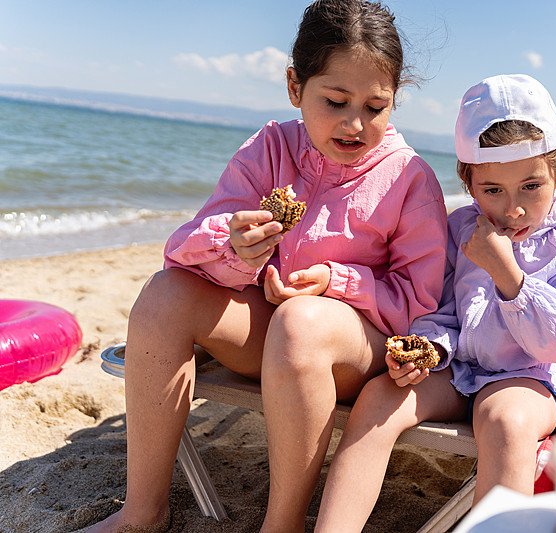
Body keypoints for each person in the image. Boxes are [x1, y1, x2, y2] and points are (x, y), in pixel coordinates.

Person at [87, 1, 447, 532]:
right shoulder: (271, 147)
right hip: (267, 338)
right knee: (165, 294)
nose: (355, 123)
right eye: (336, 101)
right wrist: (235, 248)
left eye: (376, 107)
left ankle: (282, 525)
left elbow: (420, 304)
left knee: (301, 322)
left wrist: (336, 283)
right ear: (295, 87)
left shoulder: (409, 178)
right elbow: (184, 254)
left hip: (357, 355)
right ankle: (141, 514)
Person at [314, 74, 556, 532]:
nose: (513, 209)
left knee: (505, 421)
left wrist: (508, 275)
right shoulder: (459, 229)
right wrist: (429, 349)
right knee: (379, 397)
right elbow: (441, 310)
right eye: (493, 190)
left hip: (528, 378)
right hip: (458, 371)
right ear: (468, 182)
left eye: (531, 186)